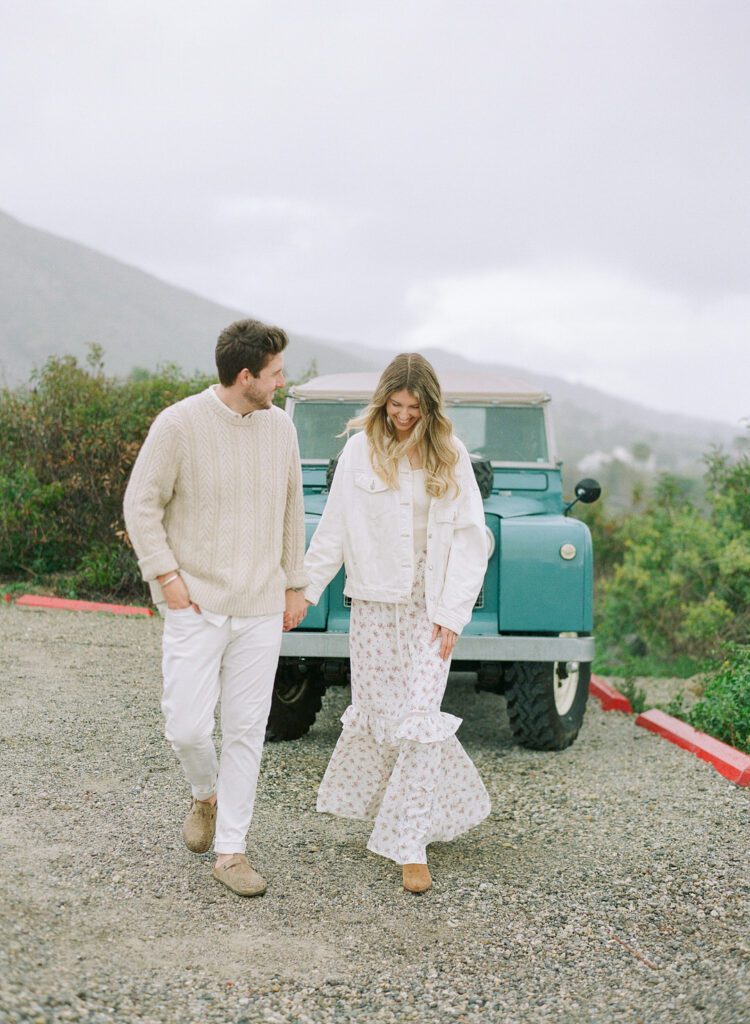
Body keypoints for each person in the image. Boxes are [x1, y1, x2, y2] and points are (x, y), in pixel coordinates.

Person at [123, 318, 308, 897]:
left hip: (259, 605)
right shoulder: (179, 424)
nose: (283, 381)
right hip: (195, 602)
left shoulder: (281, 429)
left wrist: (295, 584)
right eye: (275, 373)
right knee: (186, 726)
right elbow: (141, 503)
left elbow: (292, 508)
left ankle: (232, 851)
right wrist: (167, 576)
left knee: (248, 730)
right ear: (246, 375)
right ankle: (205, 793)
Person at [303, 353, 491, 893]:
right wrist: (306, 593)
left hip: (429, 605)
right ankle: (454, 806)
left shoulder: (450, 454)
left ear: (430, 407)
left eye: (414, 407)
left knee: (420, 713)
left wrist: (453, 614)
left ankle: (410, 844)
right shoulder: (360, 448)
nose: (404, 416)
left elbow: (471, 540)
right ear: (383, 399)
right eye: (396, 404)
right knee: (386, 719)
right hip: (372, 604)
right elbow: (334, 529)